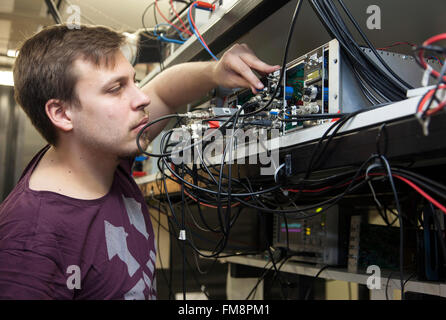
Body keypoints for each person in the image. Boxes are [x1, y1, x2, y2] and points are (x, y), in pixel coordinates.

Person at [0, 24, 279, 299]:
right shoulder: (30, 242)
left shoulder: (105, 155)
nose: (142, 97)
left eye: (133, 81)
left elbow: (164, 93)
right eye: (115, 89)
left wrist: (216, 72)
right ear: (62, 113)